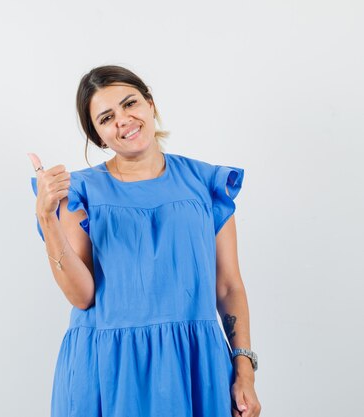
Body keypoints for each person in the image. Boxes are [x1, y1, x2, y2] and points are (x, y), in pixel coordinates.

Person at [27, 65, 261, 417]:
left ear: (150, 104)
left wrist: (244, 371)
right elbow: (81, 295)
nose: (123, 120)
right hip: (107, 368)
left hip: (195, 365)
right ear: (99, 136)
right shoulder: (78, 192)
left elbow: (228, 286)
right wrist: (48, 218)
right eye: (106, 117)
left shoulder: (205, 183)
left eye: (130, 103)